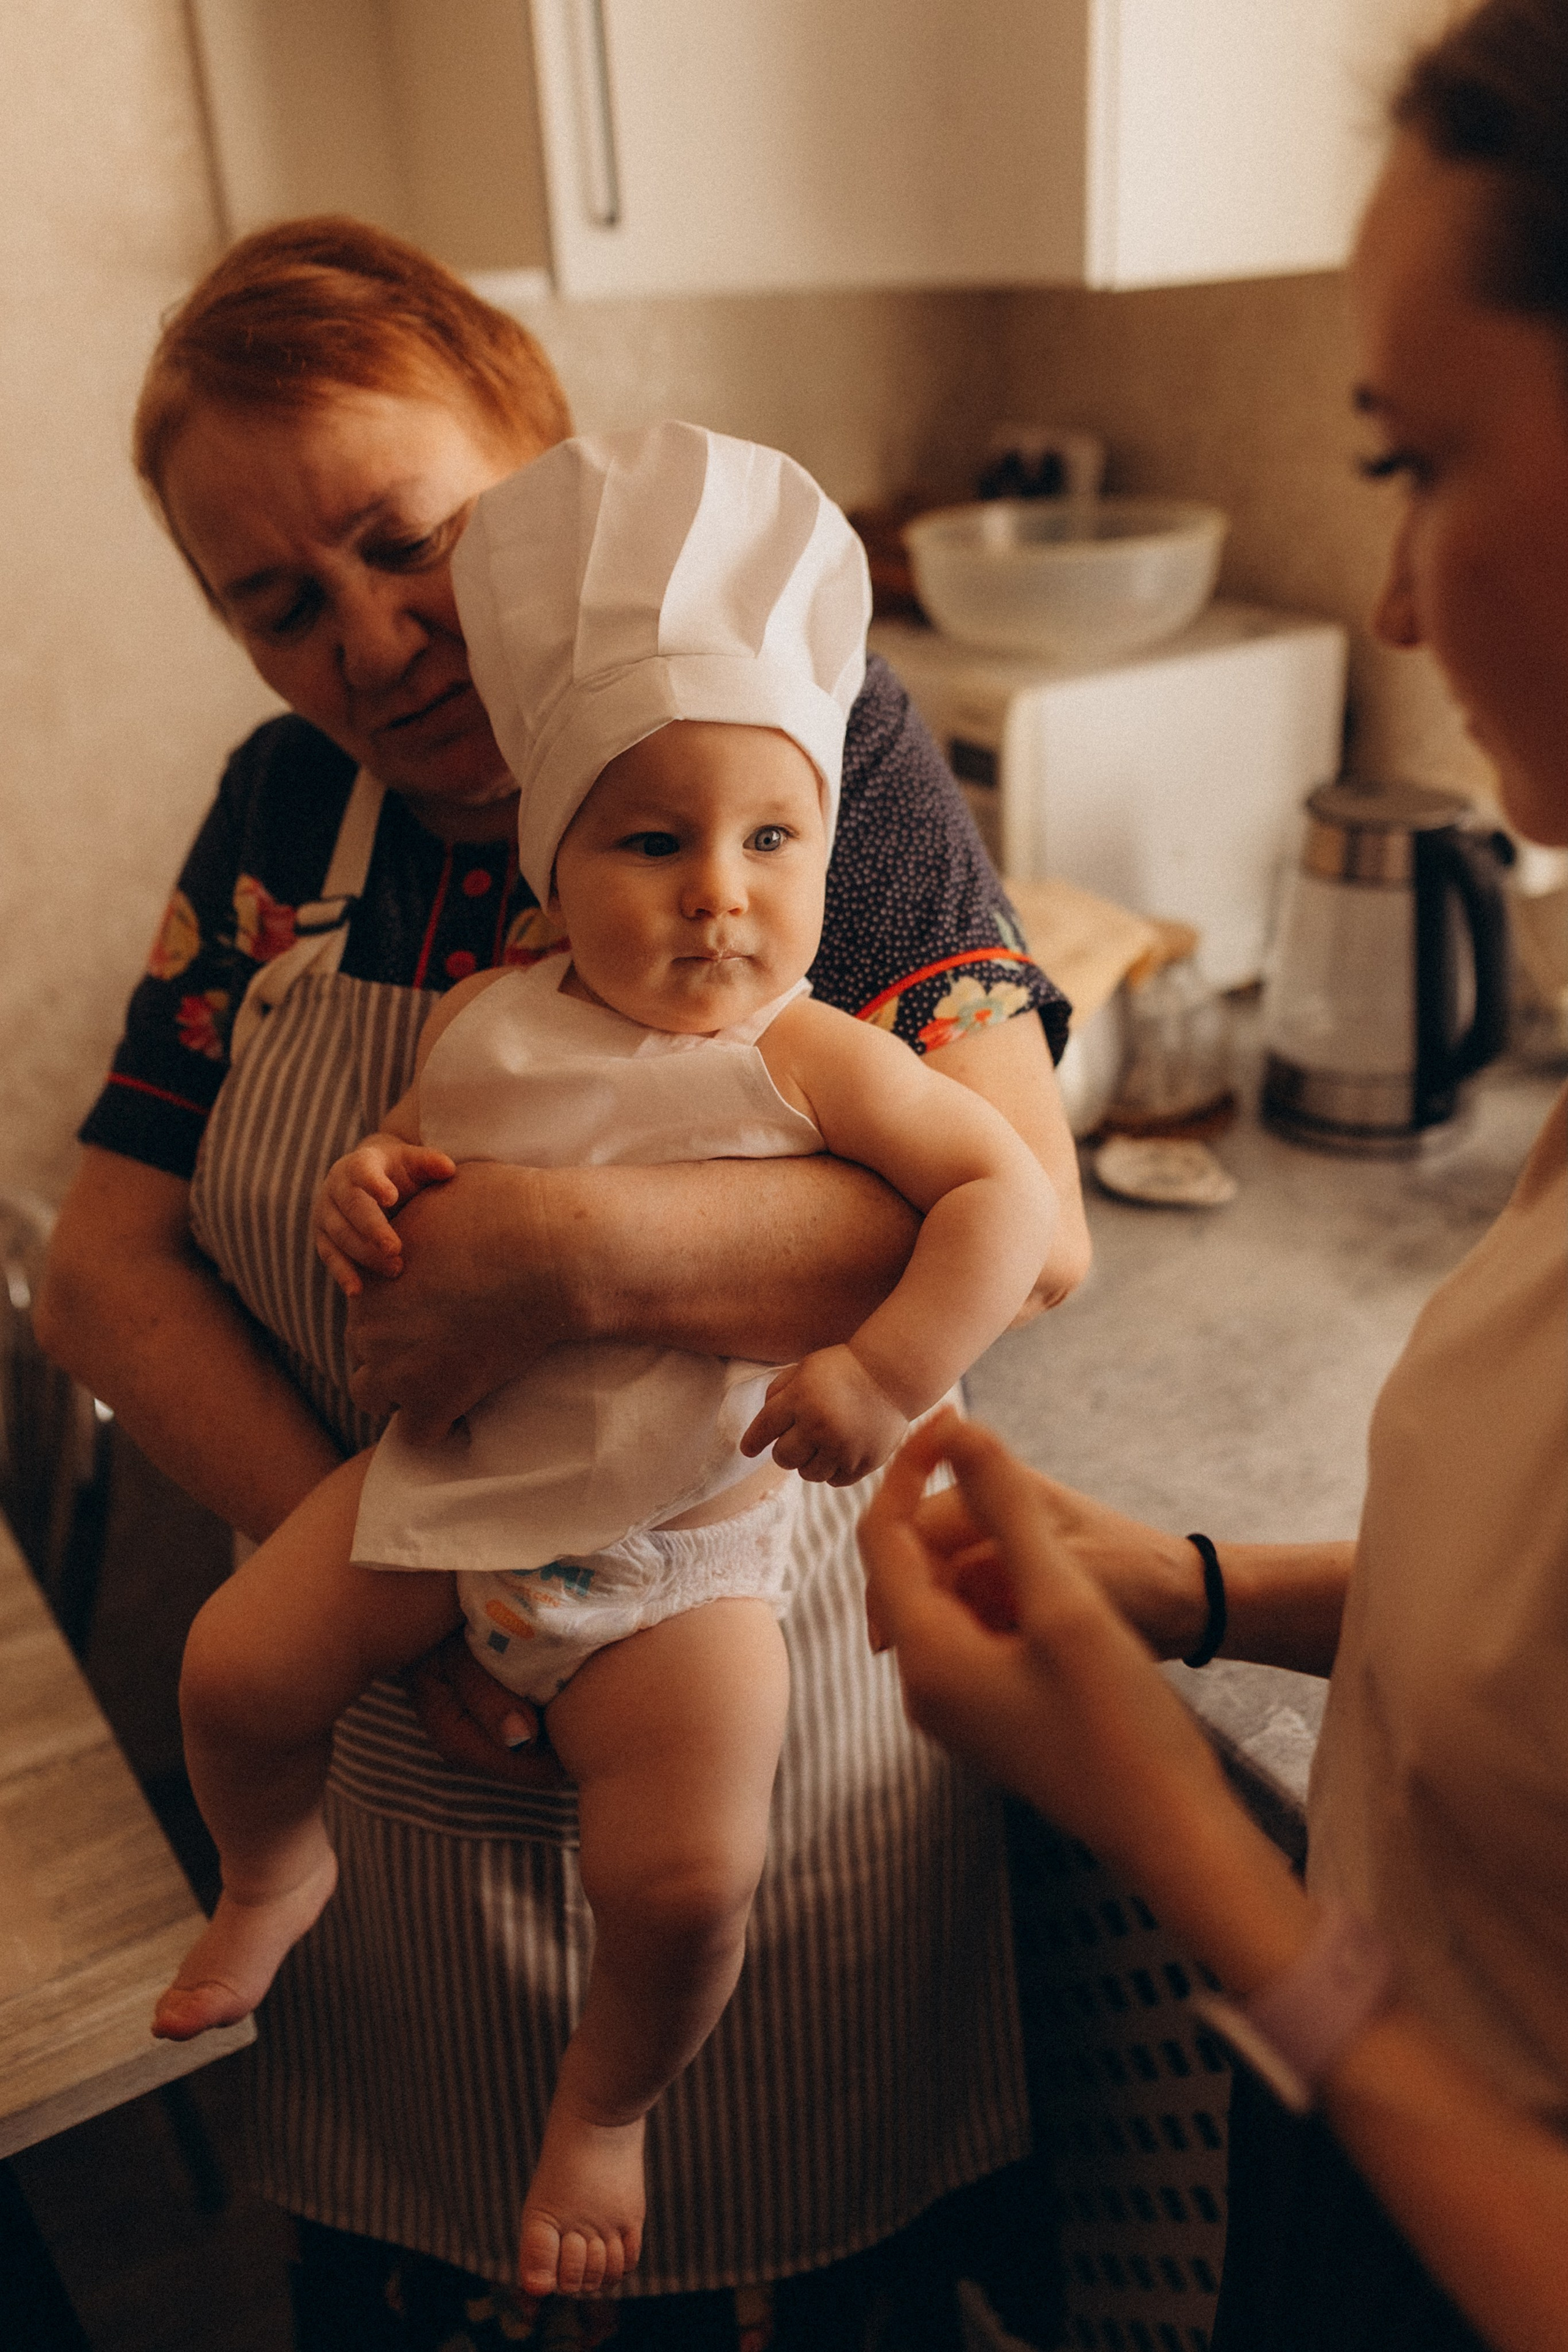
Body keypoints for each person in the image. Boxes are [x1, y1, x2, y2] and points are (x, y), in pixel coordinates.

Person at [36, 217, 1090, 2344]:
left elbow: (1027, 1225)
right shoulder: (286, 814)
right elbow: (103, 1267)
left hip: (752, 1700)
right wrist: (397, 1573)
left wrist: (553, 1257)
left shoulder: (802, 749)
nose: (371, 641)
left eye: (402, 539)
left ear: (533, 455)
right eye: (279, 603)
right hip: (396, 1730)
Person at [860, 11, 1568, 2348]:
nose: (1393, 603)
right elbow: (1520, 1646)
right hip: (1352, 2121)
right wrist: (1180, 1588)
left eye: (1416, 464)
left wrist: (1164, 1820)